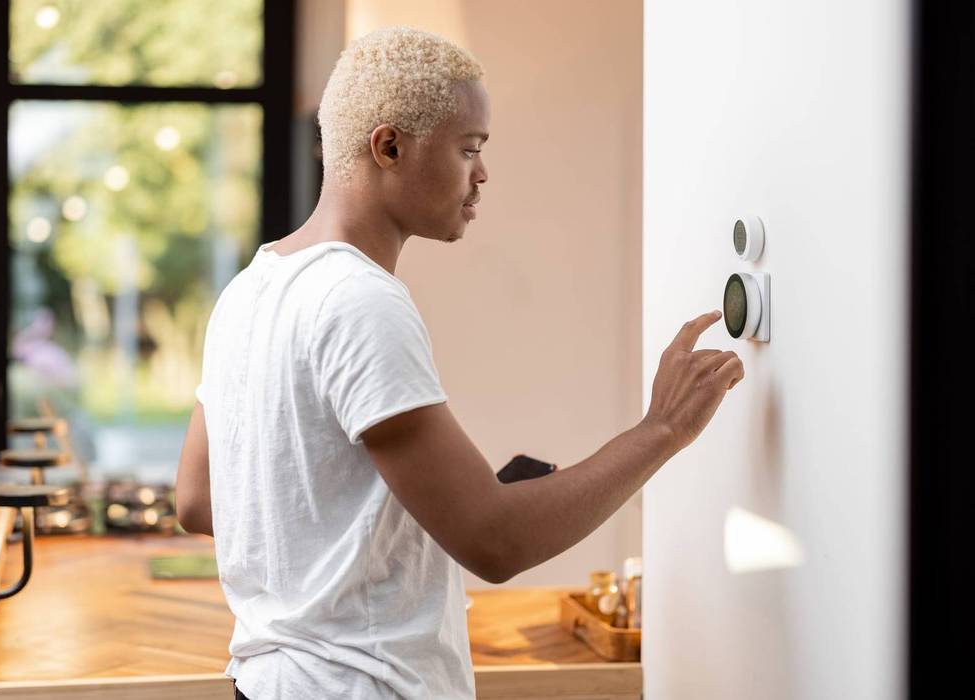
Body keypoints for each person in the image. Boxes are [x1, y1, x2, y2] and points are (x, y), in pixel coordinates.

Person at [174, 26, 743, 700]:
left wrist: (399, 509)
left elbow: (199, 501)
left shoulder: (251, 288)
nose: (482, 173)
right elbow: (494, 543)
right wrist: (662, 429)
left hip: (267, 683)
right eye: (469, 148)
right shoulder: (359, 301)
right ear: (389, 146)